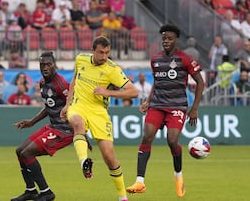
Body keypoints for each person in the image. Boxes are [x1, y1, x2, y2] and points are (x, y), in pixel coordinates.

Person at [126, 24, 205, 198]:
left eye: (169, 38)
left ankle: (178, 176)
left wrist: (195, 109)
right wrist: (148, 101)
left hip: (177, 106)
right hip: (157, 105)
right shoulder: (155, 60)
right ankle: (140, 182)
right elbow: (157, 82)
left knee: (172, 140)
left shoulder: (185, 59)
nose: (166, 41)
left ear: (176, 40)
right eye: (164, 38)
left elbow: (200, 82)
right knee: (147, 136)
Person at [60, 36, 138, 201]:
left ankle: (122, 196)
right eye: (101, 52)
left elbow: (134, 92)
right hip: (79, 105)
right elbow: (74, 80)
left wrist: (108, 92)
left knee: (109, 157)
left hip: (99, 112)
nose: (104, 56)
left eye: (107, 53)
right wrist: (68, 104)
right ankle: (84, 162)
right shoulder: (81, 59)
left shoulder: (112, 69)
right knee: (77, 123)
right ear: (92, 51)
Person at [11, 52, 73, 201]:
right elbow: (49, 107)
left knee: (27, 154)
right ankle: (31, 190)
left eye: (48, 64)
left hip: (64, 130)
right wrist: (32, 122)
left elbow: (74, 105)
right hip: (53, 126)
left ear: (54, 65)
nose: (45, 67)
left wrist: (80, 131)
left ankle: (46, 192)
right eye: (42, 65)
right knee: (20, 151)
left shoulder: (61, 84)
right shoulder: (43, 83)